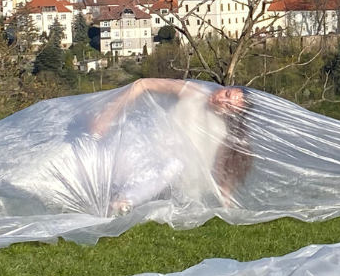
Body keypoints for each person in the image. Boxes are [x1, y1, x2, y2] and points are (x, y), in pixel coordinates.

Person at [90, 79, 252, 214]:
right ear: (226, 88)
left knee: (173, 166)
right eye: (227, 94)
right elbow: (142, 84)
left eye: (228, 105)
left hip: (168, 172)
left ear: (230, 114)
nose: (221, 100)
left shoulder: (221, 131)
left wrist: (226, 196)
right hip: (138, 146)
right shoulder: (194, 92)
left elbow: (225, 165)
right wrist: (108, 115)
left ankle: (124, 201)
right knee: (88, 170)